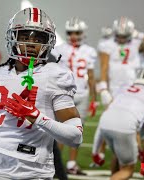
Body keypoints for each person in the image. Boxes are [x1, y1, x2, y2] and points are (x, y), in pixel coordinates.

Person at [0, 7, 83, 179]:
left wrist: (38, 117)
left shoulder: (56, 75)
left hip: (32, 171)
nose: (32, 44)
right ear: (13, 37)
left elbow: (75, 137)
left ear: (49, 42)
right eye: (25, 37)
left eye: (39, 39)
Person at [92, 68, 144, 180]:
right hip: (125, 126)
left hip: (105, 123)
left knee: (118, 157)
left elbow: (106, 114)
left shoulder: (123, 88)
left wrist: (95, 151)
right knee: (128, 170)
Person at [51, 17, 97, 175]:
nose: (73, 35)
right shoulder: (58, 49)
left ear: (82, 33)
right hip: (64, 93)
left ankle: (71, 164)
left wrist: (94, 99)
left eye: (77, 32)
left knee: (77, 131)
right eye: (71, 32)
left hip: (82, 93)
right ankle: (55, 163)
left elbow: (91, 76)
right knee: (60, 130)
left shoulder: (89, 51)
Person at [96, 17, 144, 107]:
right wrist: (103, 88)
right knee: (114, 111)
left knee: (132, 109)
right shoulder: (107, 44)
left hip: (133, 82)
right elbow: (104, 66)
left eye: (124, 36)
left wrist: (138, 34)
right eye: (119, 35)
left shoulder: (135, 43)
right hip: (115, 84)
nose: (121, 38)